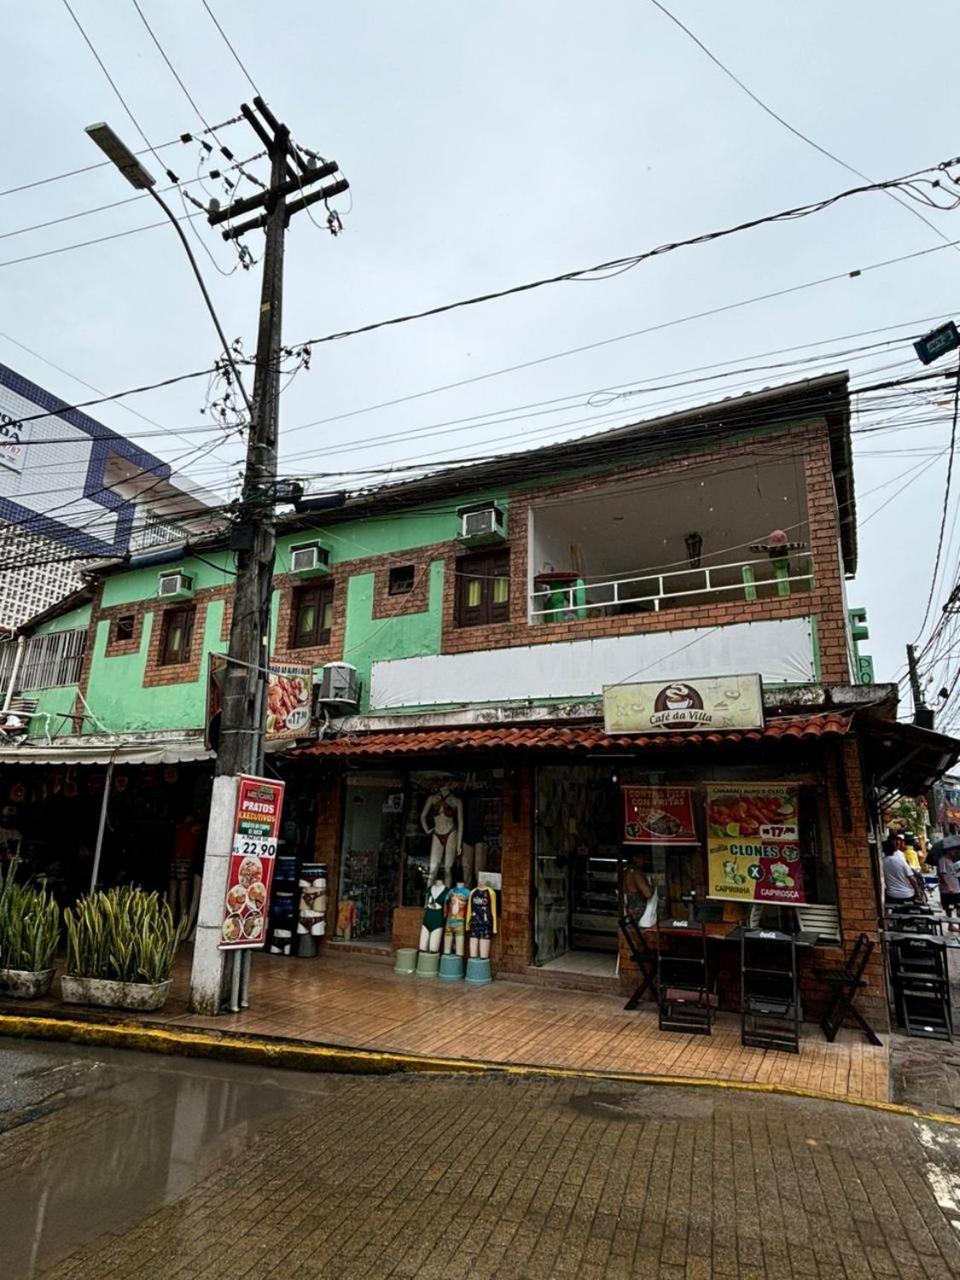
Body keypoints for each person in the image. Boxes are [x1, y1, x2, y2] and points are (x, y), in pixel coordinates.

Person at [882, 836, 925, 908]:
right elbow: (912, 879)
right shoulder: (900, 861)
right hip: (907, 895)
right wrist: (918, 893)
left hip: (891, 895)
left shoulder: (882, 861)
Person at [933, 844, 960, 932]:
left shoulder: (952, 861)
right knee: (949, 908)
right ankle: (950, 924)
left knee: (958, 907)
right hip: (948, 890)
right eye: (953, 850)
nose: (955, 852)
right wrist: (949, 887)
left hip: (956, 887)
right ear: (948, 850)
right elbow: (942, 875)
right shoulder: (942, 860)